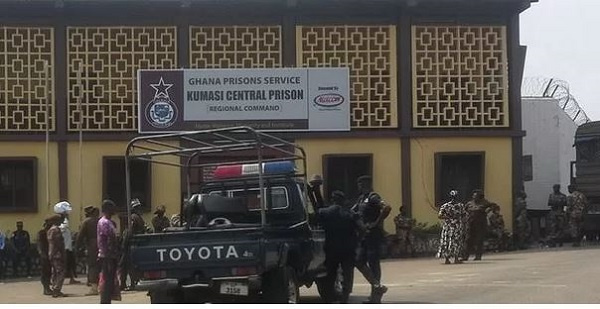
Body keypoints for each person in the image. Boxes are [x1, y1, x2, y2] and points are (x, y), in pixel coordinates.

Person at [316, 191, 360, 303]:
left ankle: (329, 299)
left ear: (332, 200)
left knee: (330, 274)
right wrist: (357, 241)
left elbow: (316, 224)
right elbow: (362, 228)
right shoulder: (350, 214)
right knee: (348, 275)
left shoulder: (324, 212)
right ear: (343, 201)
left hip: (331, 249)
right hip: (348, 250)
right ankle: (345, 298)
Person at [352, 175, 389, 304]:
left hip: (373, 235)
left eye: (361, 184)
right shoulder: (361, 198)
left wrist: (376, 223)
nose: (359, 186)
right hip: (364, 235)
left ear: (366, 184)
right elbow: (353, 211)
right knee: (358, 261)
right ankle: (377, 286)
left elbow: (386, 207)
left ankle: (375, 297)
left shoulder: (373, 197)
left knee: (374, 264)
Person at [120, 198, 148, 291]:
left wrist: (124, 244)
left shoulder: (133, 217)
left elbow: (129, 232)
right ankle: (128, 283)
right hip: (137, 244)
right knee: (129, 265)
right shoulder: (139, 218)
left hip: (130, 244)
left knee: (126, 265)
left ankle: (130, 284)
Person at [98, 199, 121, 304]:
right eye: (112, 208)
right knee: (107, 281)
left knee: (110, 280)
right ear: (107, 209)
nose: (114, 210)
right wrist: (111, 254)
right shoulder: (104, 222)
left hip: (110, 255)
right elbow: (109, 239)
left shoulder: (110, 222)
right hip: (107, 256)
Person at [437, 190, 468, 264]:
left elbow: (440, 216)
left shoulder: (445, 206)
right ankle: (456, 258)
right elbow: (464, 216)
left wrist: (448, 217)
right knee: (456, 241)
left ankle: (447, 259)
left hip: (448, 226)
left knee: (447, 241)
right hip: (457, 226)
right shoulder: (460, 205)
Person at [54, 201, 80, 285]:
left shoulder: (64, 220)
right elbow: (62, 229)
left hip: (68, 245)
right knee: (63, 264)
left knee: (70, 263)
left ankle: (72, 278)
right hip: (64, 246)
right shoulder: (62, 221)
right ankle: (56, 280)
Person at [77, 206, 100, 295]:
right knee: (101, 266)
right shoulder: (101, 221)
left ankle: (94, 288)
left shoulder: (86, 222)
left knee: (93, 266)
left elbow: (80, 236)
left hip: (92, 246)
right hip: (102, 245)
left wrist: (77, 248)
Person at [464, 190, 492, 261]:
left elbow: (493, 207)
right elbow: (464, 211)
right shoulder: (469, 203)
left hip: (480, 224)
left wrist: (487, 212)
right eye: (473, 196)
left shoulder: (485, 203)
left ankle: (478, 255)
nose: (474, 197)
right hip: (471, 223)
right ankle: (465, 256)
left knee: (479, 240)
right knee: (468, 239)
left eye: (476, 196)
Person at [47, 214, 67, 298]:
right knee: (60, 272)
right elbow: (58, 244)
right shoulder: (56, 230)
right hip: (57, 254)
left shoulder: (50, 230)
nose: (61, 222)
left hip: (52, 253)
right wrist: (63, 253)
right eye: (59, 220)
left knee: (54, 272)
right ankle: (56, 289)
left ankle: (54, 288)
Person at [37, 219, 52, 295]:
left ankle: (48, 288)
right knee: (45, 272)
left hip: (50, 254)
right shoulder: (42, 233)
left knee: (49, 272)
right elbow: (39, 244)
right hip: (44, 254)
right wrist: (42, 254)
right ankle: (46, 288)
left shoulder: (50, 232)